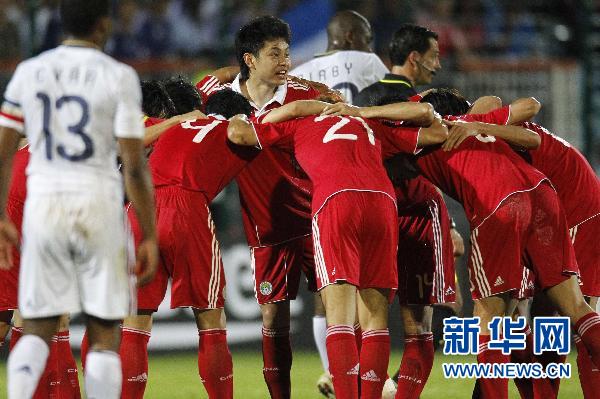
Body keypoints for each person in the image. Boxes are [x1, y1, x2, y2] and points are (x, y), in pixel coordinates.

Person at [227, 98, 447, 399]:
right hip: (382, 202)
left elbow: (240, 134)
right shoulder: (368, 123)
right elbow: (436, 128)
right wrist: (365, 111)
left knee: (340, 317)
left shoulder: (298, 123)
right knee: (374, 320)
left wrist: (289, 109)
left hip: (335, 201)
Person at [0, 1, 158, 398]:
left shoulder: (29, 72)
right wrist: (150, 234)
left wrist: (1, 215)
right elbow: (135, 166)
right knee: (105, 328)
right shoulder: (119, 76)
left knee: (37, 324)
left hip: (45, 204)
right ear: (103, 26)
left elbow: (3, 152)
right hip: (98, 202)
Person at [413, 88, 600, 398]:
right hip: (544, 200)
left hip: (575, 206)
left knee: (556, 315)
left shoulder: (474, 126)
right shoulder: (479, 137)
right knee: (535, 319)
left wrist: (478, 123)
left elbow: (530, 125)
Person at [195, 16, 324, 399]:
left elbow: (340, 110)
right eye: (275, 53)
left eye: (287, 52)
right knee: (273, 317)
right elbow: (194, 90)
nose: (285, 60)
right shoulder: (218, 95)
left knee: (338, 307)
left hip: (315, 218)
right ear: (250, 60)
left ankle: (352, 384)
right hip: (265, 229)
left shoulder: (306, 94)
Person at [118, 85, 257, 399]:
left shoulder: (174, 123)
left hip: (139, 209)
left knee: (134, 323)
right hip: (187, 207)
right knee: (211, 319)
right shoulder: (238, 129)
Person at [289, 9, 388, 394]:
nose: (369, 44)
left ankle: (335, 373)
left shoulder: (305, 72)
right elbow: (394, 101)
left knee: (327, 291)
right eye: (365, 36)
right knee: (371, 298)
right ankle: (364, 379)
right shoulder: (370, 63)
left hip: (318, 183)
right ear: (349, 37)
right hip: (369, 170)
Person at [291, 10, 388, 104]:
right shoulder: (368, 60)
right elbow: (398, 101)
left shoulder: (294, 76)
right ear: (350, 37)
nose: (369, 49)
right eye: (366, 41)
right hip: (357, 120)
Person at [354, 24, 441, 106]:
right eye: (433, 56)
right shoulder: (414, 107)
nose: (438, 65)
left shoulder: (363, 96)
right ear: (414, 58)